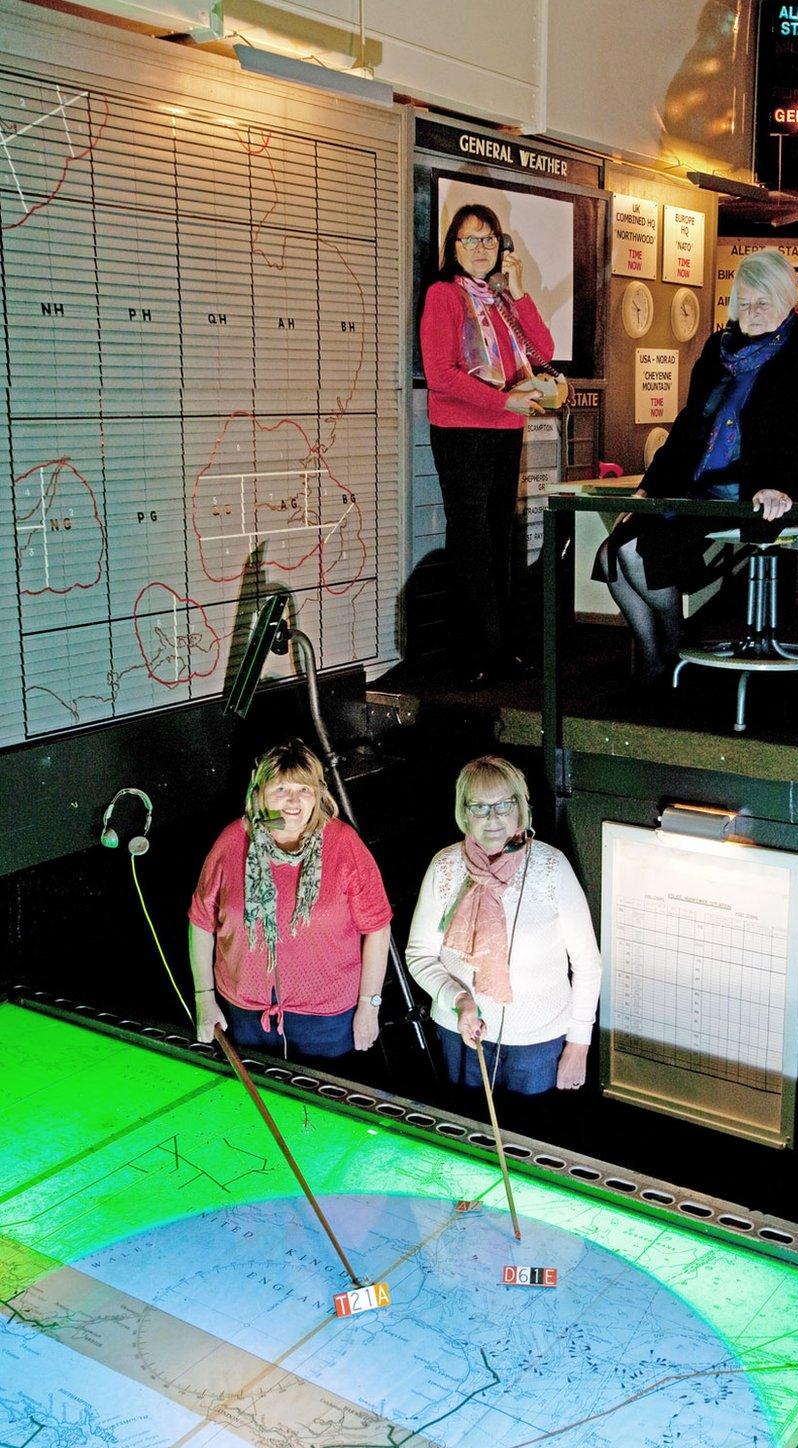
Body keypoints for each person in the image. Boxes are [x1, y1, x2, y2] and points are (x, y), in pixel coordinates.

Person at [596, 248, 798, 684]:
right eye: (743, 303)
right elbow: (689, 424)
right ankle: (662, 652)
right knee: (612, 554)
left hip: (755, 491)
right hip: (695, 486)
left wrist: (778, 485)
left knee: (634, 556)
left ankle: (669, 648)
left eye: (763, 302)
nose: (752, 312)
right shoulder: (718, 348)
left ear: (786, 299)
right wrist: (649, 489)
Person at [406, 755, 601, 1096]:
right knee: (469, 1136)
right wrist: (459, 999)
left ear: (521, 808)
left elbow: (587, 964)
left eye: (503, 805)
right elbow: (419, 955)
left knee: (530, 1137)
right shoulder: (445, 866)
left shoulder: (551, 866)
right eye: (479, 807)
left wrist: (579, 1044)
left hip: (537, 1044)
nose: (492, 818)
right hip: (460, 1033)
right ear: (463, 812)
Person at [188, 739, 392, 1062]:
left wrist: (369, 1005)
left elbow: (378, 928)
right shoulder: (232, 841)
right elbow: (200, 922)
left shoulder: (343, 844)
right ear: (259, 793)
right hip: (246, 1016)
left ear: (318, 795)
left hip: (327, 1021)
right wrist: (203, 998)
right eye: (281, 789)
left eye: (304, 790)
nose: (293, 801)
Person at [419, 204, 555, 688]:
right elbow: (441, 375)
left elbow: (543, 351)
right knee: (472, 540)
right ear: (453, 249)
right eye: (470, 240)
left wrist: (519, 295)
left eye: (490, 239)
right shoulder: (444, 296)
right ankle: (473, 652)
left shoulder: (501, 301)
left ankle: (500, 648)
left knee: (500, 535)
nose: (481, 248)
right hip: (461, 432)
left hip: (503, 430)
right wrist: (504, 403)